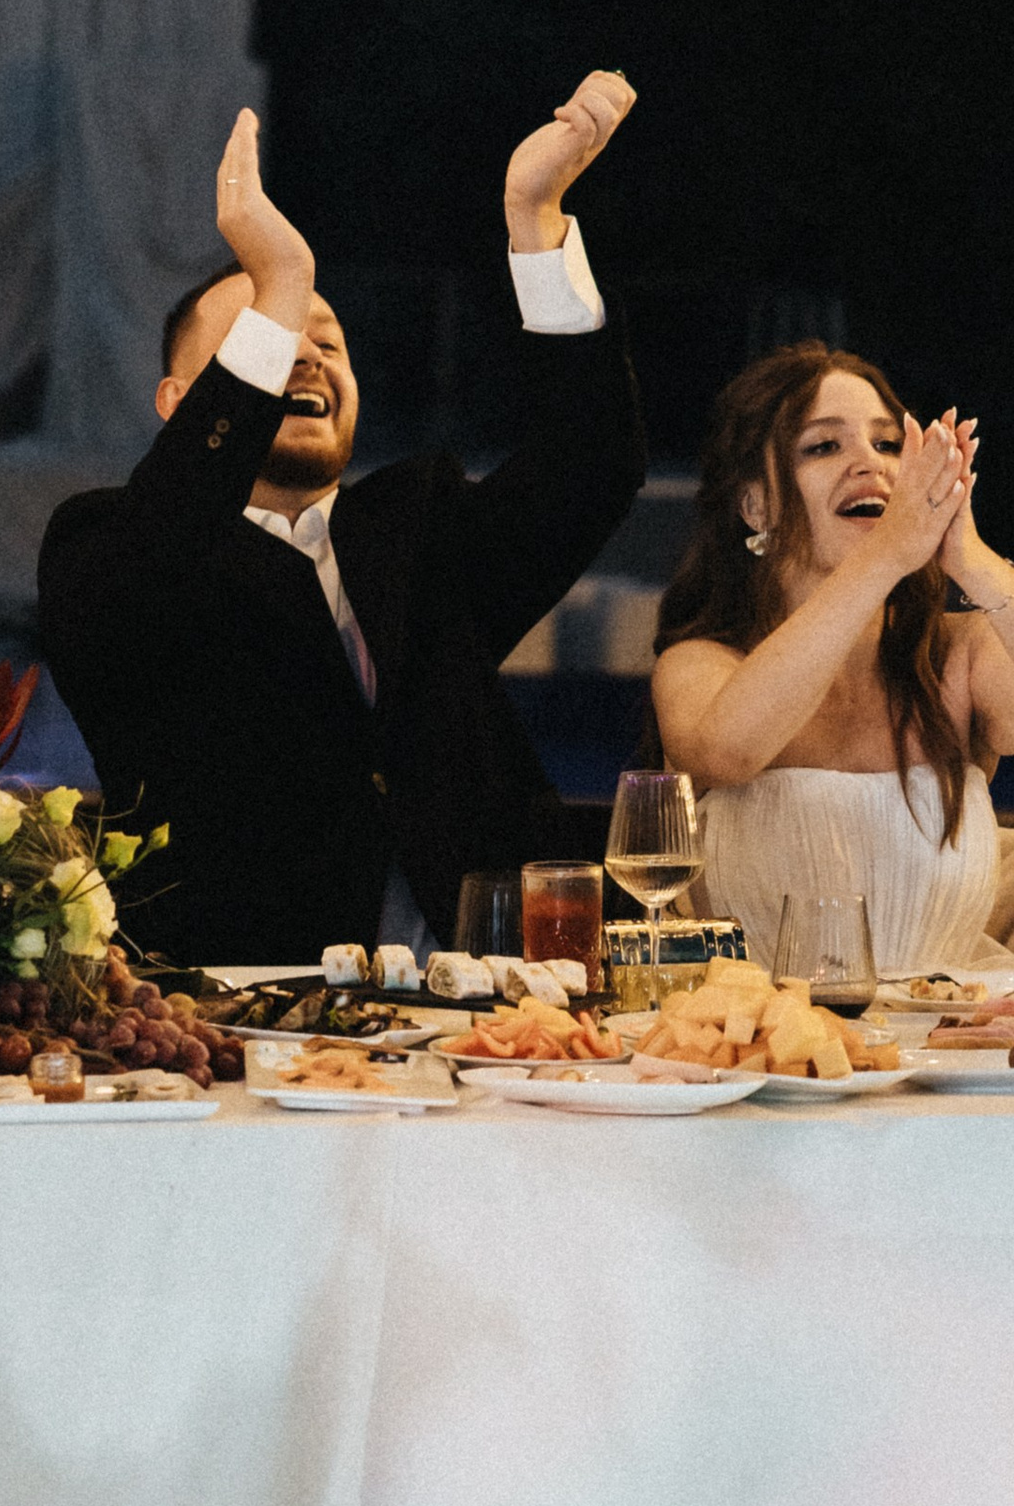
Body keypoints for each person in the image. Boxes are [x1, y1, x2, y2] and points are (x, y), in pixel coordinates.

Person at [37, 79, 647, 967]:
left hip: (490, 1001)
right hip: (244, 1010)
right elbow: (150, 561)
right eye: (273, 334)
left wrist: (536, 218)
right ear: (181, 403)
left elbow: (593, 465)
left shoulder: (422, 536)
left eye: (326, 340)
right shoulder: (107, 548)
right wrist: (279, 284)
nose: (306, 351)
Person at [652, 344, 1014, 984]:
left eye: (889, 446)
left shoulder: (951, 654)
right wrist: (884, 556)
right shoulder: (701, 663)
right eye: (824, 447)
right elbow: (729, 751)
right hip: (765, 1044)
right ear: (756, 507)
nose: (869, 463)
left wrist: (967, 556)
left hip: (948, 1035)